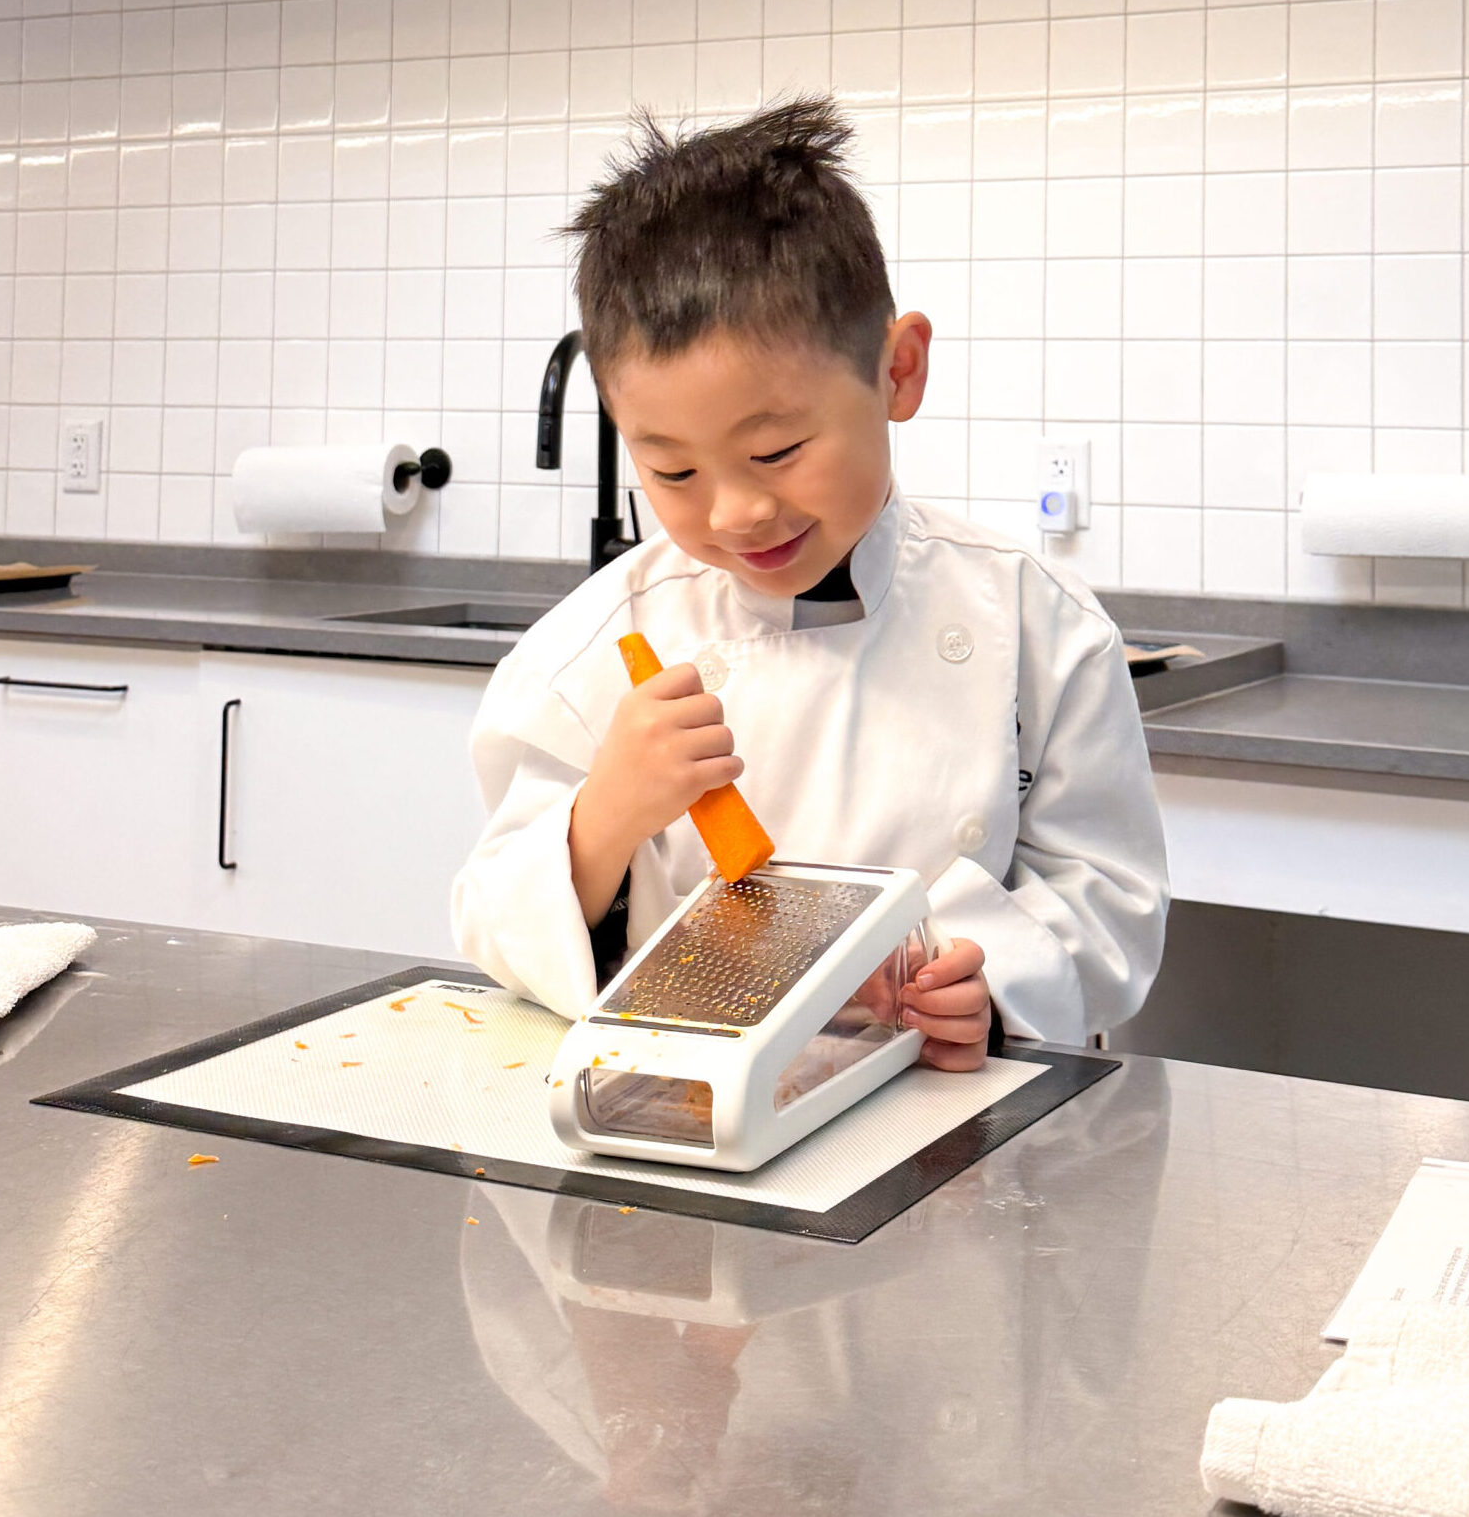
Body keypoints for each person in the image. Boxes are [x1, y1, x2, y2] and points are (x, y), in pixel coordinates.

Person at [451, 95, 1167, 1061]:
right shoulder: (590, 652)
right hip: (689, 1102)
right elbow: (495, 920)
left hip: (950, 1103)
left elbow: (1109, 897)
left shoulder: (1036, 623)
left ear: (897, 371)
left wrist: (991, 985)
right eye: (672, 470)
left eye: (776, 451)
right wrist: (602, 822)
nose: (734, 512)